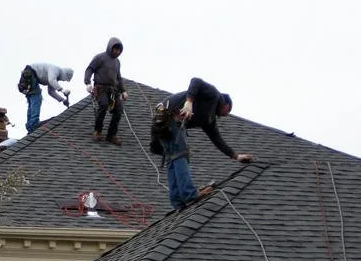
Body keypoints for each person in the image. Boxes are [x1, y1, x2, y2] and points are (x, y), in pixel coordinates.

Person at [151, 77, 253, 209]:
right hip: (168, 116)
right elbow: (195, 81)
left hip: (164, 120)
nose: (225, 115)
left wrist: (236, 156)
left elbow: (217, 139)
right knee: (180, 154)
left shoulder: (208, 119)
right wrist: (189, 102)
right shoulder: (214, 94)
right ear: (226, 104)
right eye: (227, 111)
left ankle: (177, 200)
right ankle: (189, 194)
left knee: (172, 158)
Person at [84, 37, 127, 145]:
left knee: (118, 110)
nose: (117, 52)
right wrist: (87, 82)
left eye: (119, 50)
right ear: (110, 47)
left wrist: (123, 91)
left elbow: (119, 78)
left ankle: (111, 135)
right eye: (115, 49)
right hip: (101, 88)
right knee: (103, 105)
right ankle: (97, 131)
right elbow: (90, 69)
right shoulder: (100, 58)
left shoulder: (117, 62)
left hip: (113, 90)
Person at [17, 63, 73, 133]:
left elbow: (51, 92)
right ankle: (33, 124)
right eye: (64, 79)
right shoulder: (56, 70)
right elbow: (51, 80)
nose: (63, 80)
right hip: (30, 73)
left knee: (33, 99)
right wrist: (62, 90)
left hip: (31, 75)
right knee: (36, 97)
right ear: (65, 74)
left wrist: (62, 100)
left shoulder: (54, 77)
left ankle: (30, 125)